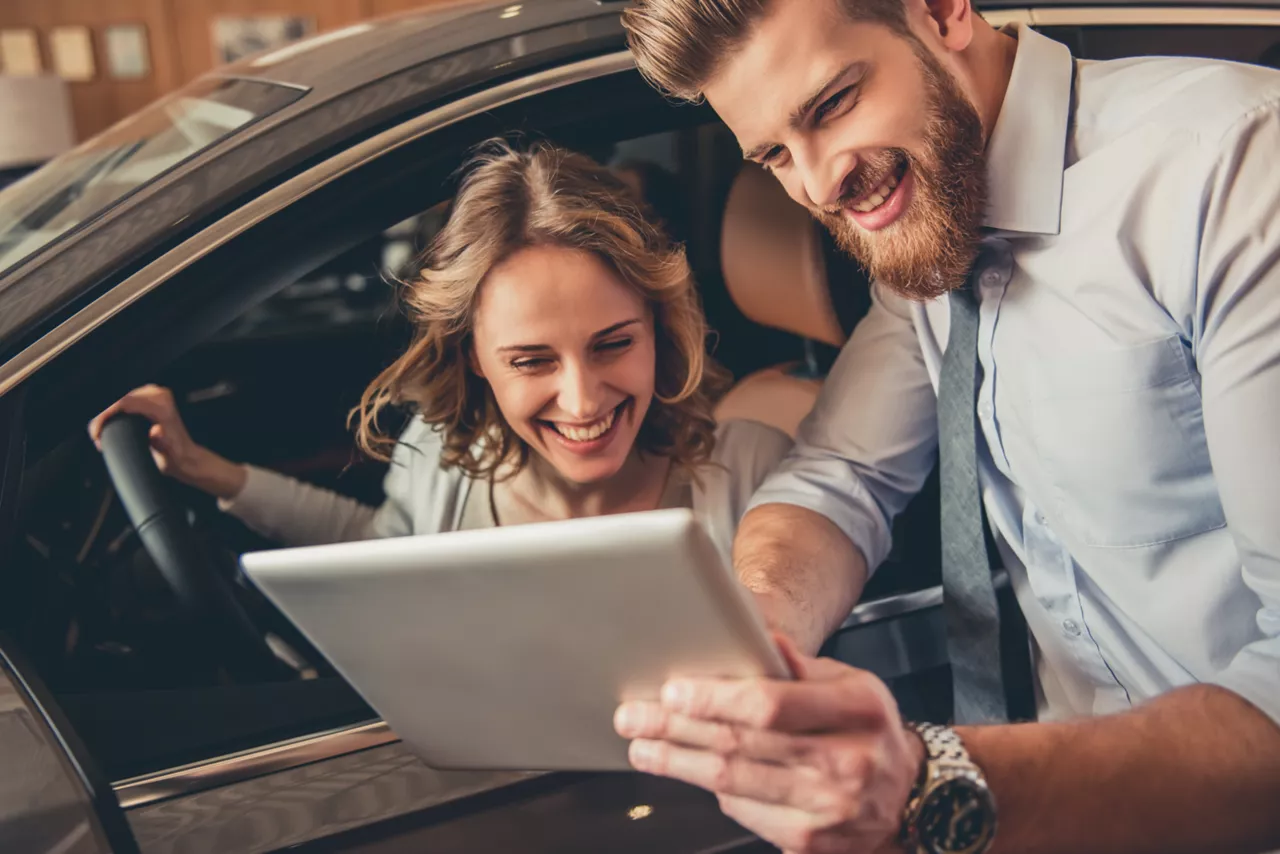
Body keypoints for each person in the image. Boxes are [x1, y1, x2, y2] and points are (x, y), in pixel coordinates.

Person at [613, 0, 1280, 852]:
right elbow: (838, 477)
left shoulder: (1232, 166)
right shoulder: (931, 222)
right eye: (777, 154)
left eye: (831, 105)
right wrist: (759, 638)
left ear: (941, 11)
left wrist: (931, 781)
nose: (818, 186)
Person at [89, 140, 792, 563]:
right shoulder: (441, 458)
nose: (582, 399)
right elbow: (385, 554)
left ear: (658, 326)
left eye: (613, 344)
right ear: (474, 356)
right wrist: (209, 472)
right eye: (531, 360)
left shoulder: (750, 473)